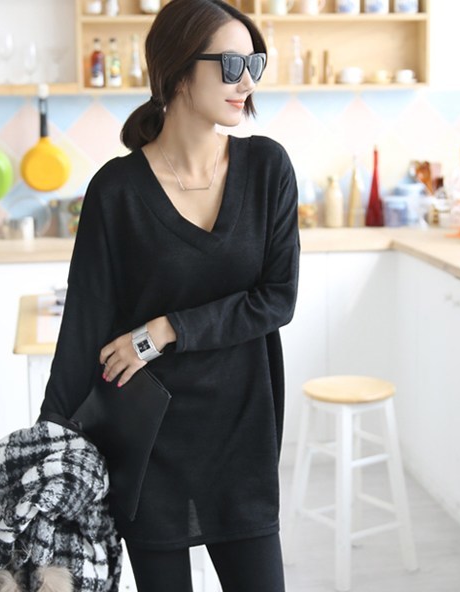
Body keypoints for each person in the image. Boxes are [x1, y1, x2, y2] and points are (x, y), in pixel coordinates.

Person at [39, 0, 300, 589]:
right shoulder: (116, 190)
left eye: (254, 64)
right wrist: (48, 445)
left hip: (242, 436)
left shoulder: (267, 168)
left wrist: (166, 330)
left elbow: (277, 299)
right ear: (180, 71)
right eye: (231, 65)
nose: (247, 82)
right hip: (148, 444)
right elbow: (83, 327)